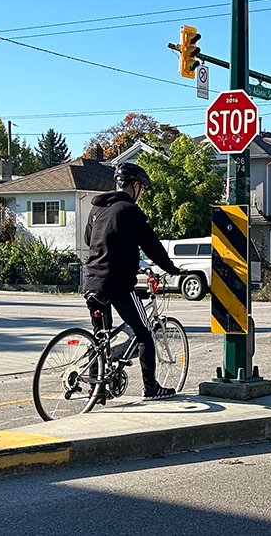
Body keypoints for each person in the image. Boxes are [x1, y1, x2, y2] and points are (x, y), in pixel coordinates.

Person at [82, 162, 184, 401]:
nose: (141, 193)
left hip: (91, 281)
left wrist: (128, 259)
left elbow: (92, 241)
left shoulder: (96, 210)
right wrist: (171, 269)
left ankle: (96, 387)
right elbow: (152, 245)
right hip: (117, 284)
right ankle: (151, 388)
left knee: (101, 336)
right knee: (145, 332)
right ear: (135, 185)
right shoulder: (129, 210)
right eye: (142, 188)